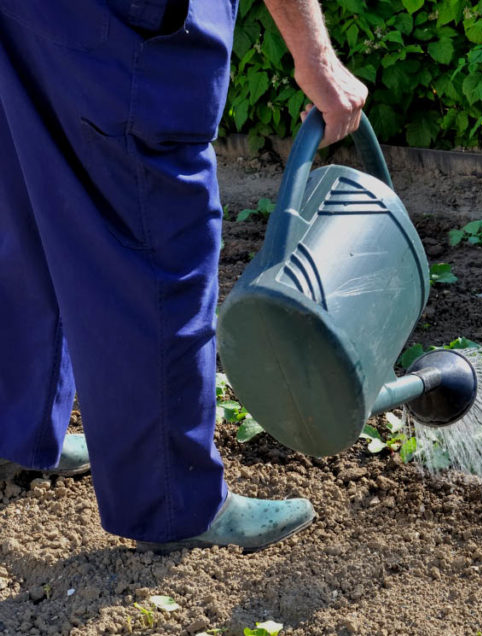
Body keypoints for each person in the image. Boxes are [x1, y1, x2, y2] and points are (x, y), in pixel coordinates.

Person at [0, 0, 367, 551]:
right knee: (155, 232)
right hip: (121, 26)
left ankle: (14, 427)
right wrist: (314, 56)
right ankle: (173, 500)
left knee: (31, 188)